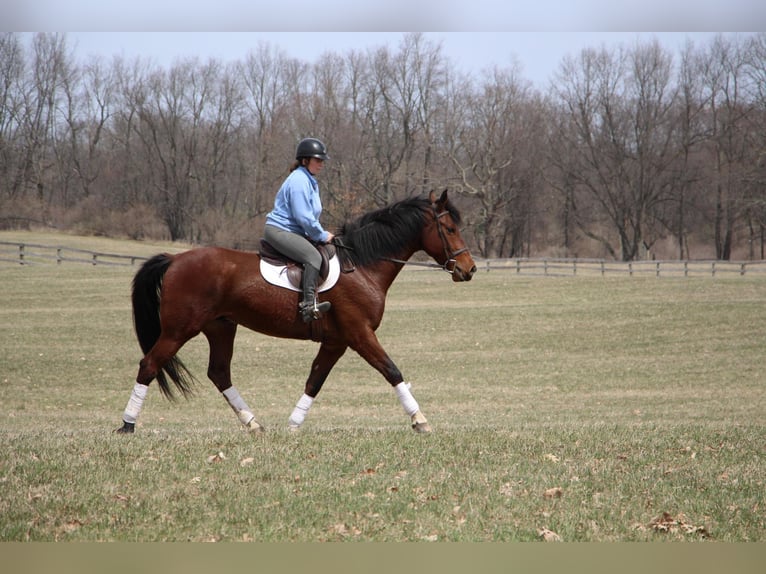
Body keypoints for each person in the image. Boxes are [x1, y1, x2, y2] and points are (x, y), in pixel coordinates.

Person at [264, 137, 335, 323]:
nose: (321, 164)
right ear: (305, 160)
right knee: (313, 257)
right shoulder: (299, 181)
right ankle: (308, 306)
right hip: (280, 231)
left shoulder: (309, 180)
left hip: (293, 231)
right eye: (317, 160)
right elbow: (304, 217)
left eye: (322, 161)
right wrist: (321, 234)